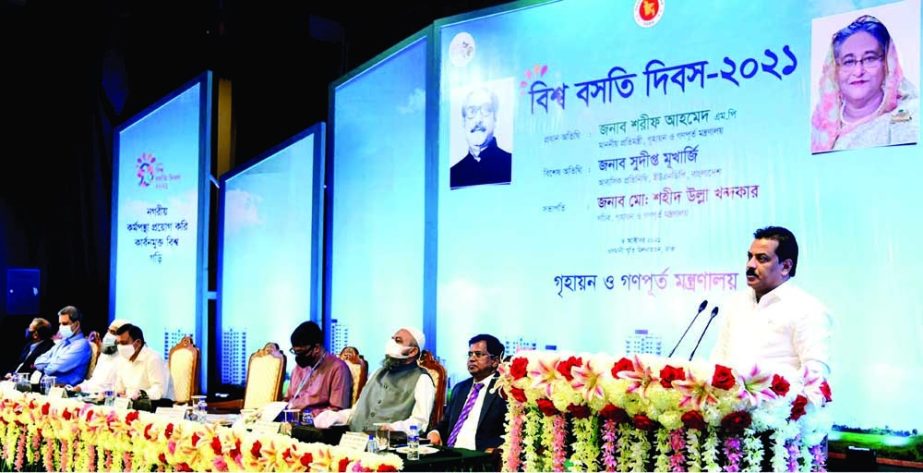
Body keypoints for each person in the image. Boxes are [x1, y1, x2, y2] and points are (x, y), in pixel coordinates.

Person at [711, 226, 832, 378]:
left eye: (762, 259)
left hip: (778, 401)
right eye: (750, 257)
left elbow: (816, 376)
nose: (750, 265)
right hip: (729, 401)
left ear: (786, 267)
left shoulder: (808, 309)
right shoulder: (736, 303)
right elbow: (719, 359)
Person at [811, 14, 919, 152]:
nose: (858, 71)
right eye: (848, 61)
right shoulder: (819, 123)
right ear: (835, 70)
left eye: (869, 59)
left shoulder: (910, 115)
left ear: (887, 64)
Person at [314, 327, 435, 434]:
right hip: (354, 441)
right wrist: (337, 416)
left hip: (388, 448)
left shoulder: (422, 379)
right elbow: (358, 412)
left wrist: (394, 428)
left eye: (398, 340)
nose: (391, 343)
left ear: (413, 351)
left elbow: (420, 423)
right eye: (392, 339)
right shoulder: (377, 373)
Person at [427, 334, 508, 451]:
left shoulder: (504, 390)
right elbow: (446, 423)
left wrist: (497, 449)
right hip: (450, 454)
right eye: (470, 354)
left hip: (480, 458)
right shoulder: (460, 388)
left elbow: (513, 433)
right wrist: (436, 432)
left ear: (495, 361)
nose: (472, 358)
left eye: (478, 354)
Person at [285, 321, 353, 415]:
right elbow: (287, 399)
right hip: (291, 421)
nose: (298, 356)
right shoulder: (298, 368)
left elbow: (337, 410)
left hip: (316, 426)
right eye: (295, 352)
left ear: (316, 348)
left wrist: (305, 416)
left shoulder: (338, 368)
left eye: (301, 352)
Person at [450, 87, 512, 189]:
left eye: (486, 110)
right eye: (472, 111)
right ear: (463, 122)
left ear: (495, 118)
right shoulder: (453, 174)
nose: (478, 119)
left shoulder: (511, 165)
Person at [33, 306, 92, 386]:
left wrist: (48, 364)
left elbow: (52, 369)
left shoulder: (81, 345)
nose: (61, 327)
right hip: (49, 387)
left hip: (67, 391)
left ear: (77, 324)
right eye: (60, 324)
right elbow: (38, 362)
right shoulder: (63, 341)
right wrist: (54, 361)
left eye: (64, 324)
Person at [113, 323, 173, 402]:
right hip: (128, 405)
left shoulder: (153, 358)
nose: (120, 347)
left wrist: (139, 395)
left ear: (138, 343)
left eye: (124, 343)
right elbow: (119, 388)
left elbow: (160, 391)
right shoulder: (123, 359)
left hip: (152, 407)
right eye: (118, 343)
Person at [71, 319, 130, 393]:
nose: (109, 335)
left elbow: (118, 390)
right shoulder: (104, 355)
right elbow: (94, 381)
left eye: (113, 332)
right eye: (109, 331)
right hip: (90, 396)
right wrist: (79, 387)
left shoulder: (125, 358)